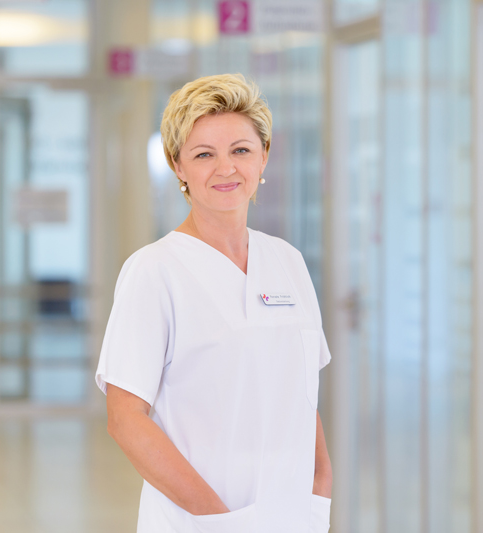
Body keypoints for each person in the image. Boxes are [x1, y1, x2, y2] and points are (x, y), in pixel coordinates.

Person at [95, 73, 333, 533]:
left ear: (264, 156)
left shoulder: (287, 261)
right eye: (204, 154)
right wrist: (220, 522)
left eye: (240, 150)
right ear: (177, 165)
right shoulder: (154, 271)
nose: (226, 169)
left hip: (292, 519)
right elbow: (126, 420)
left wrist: (319, 491)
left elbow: (303, 395)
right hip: (199, 522)